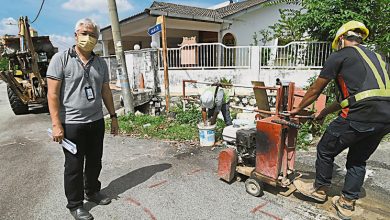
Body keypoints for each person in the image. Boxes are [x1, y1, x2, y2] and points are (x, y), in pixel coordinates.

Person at [290, 21, 390, 220]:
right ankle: (347, 202)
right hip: (385, 119)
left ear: (342, 39)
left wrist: (297, 109)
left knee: (325, 149)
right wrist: (324, 112)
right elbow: (354, 96)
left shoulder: (340, 56)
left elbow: (315, 90)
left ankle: (319, 189)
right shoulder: (380, 58)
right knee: (358, 159)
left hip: (359, 115)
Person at [47, 18, 119, 220]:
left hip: (96, 121)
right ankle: (75, 204)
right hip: (71, 124)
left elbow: (105, 91)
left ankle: (92, 191)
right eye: (84, 33)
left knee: (95, 161)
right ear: (75, 35)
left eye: (92, 34)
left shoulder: (100, 63)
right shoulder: (60, 59)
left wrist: (113, 117)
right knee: (74, 166)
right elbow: (52, 95)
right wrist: (56, 124)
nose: (88, 38)